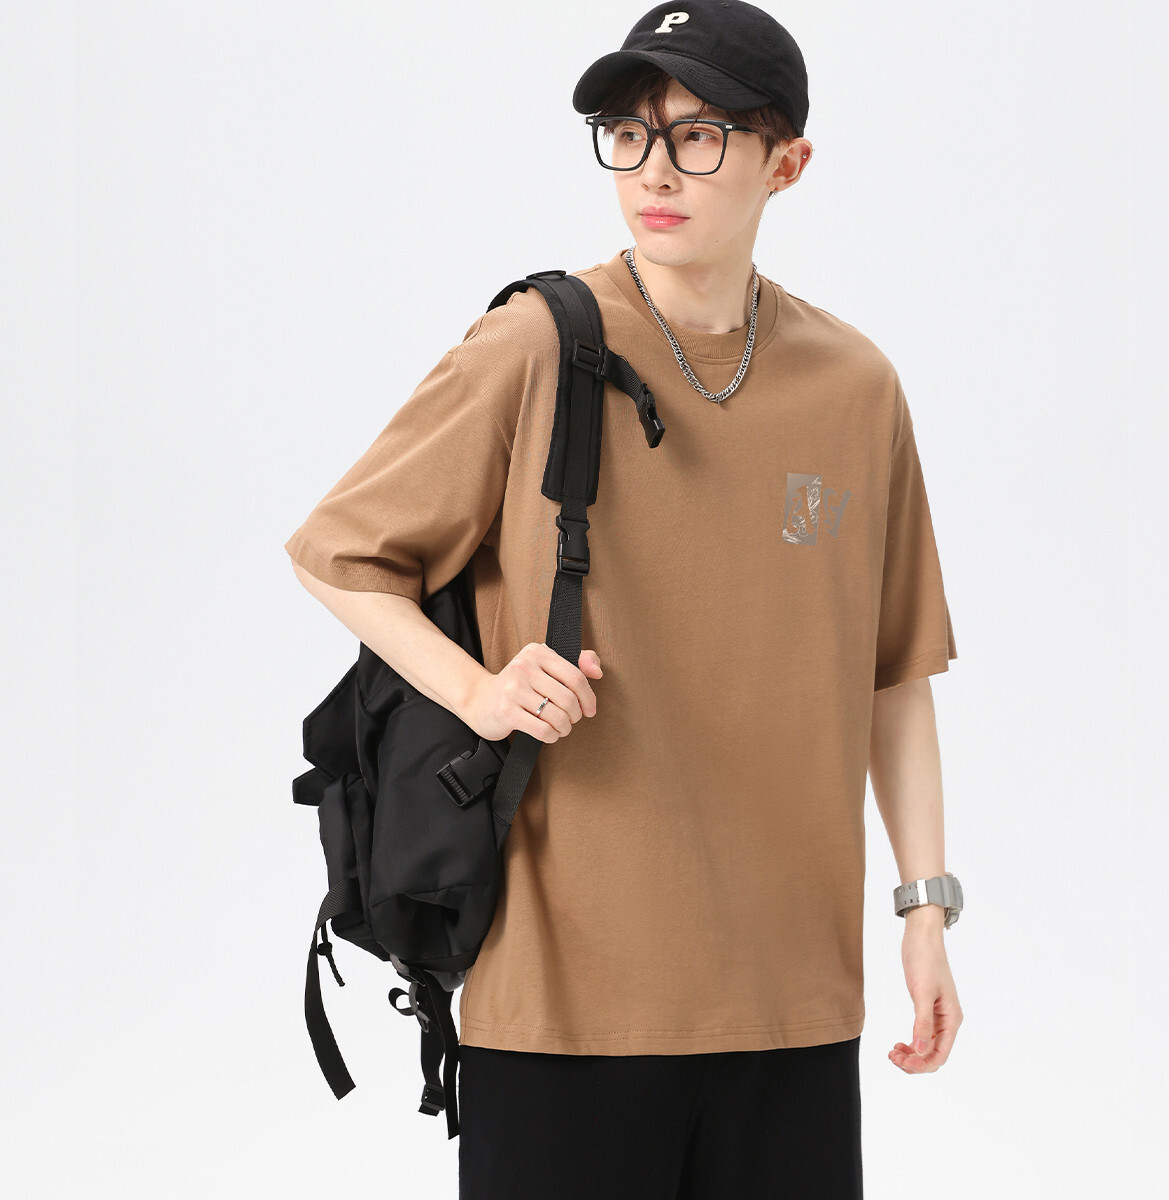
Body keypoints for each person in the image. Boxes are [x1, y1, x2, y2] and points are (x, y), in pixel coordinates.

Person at [283, 2, 964, 1196]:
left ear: (787, 162)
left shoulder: (855, 387)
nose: (654, 171)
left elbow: (892, 672)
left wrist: (923, 910)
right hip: (564, 1004)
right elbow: (339, 552)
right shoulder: (535, 347)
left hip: (793, 998)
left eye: (698, 136)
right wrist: (480, 693)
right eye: (629, 134)